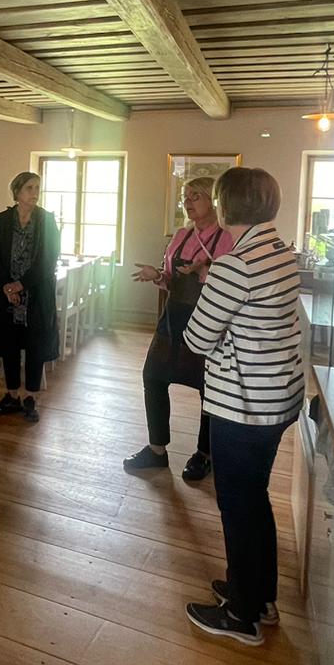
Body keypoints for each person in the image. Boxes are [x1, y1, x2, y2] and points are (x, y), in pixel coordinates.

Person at [181, 167, 304, 646]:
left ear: (227, 205)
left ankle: (241, 615)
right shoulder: (281, 252)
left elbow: (197, 339)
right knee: (254, 497)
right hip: (277, 396)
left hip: (243, 402)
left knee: (237, 504)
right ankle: (257, 593)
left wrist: (219, 320)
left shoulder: (236, 265)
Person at [124, 176, 234, 480]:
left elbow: (231, 285)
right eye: (186, 196)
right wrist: (157, 275)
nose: (188, 201)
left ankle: (204, 454)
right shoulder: (181, 235)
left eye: (195, 196)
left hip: (208, 322)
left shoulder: (227, 238)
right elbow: (171, 278)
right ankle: (157, 449)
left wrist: (204, 271)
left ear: (213, 200)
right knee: (153, 376)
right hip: (173, 318)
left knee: (208, 388)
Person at [0, 171, 60, 423]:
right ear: (17, 192)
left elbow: (48, 259)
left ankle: (31, 398)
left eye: (37, 188)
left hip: (35, 294)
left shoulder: (47, 221)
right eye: (29, 188)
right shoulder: (4, 219)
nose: (35, 193)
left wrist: (20, 285)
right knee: (9, 345)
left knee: (35, 346)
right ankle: (12, 394)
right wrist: (6, 287)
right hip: (6, 296)